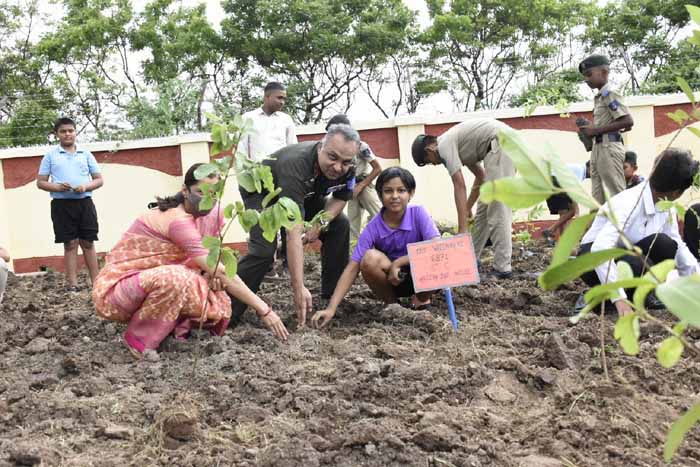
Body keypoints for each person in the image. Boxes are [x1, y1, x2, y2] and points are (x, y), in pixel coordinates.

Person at [92, 164, 289, 357]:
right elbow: (219, 270)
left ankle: (174, 331)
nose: (209, 200)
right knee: (178, 278)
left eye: (214, 193)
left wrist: (208, 275)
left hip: (161, 281)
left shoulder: (214, 214)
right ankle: (139, 342)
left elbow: (212, 261)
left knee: (214, 294)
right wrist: (264, 310)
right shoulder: (177, 220)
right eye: (201, 192)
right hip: (119, 292)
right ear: (185, 191)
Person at [230, 124, 359, 328]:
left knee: (339, 224)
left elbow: (341, 198)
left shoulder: (350, 166)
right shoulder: (297, 164)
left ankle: (331, 298)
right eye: (332, 157)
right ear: (320, 148)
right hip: (262, 192)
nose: (337, 167)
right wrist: (298, 288)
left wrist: (319, 223)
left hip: (306, 193)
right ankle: (228, 310)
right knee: (264, 251)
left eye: (345, 162)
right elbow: (293, 232)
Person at [577, 148, 700, 316]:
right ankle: (599, 297)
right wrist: (619, 298)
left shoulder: (665, 205)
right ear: (676, 192)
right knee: (638, 264)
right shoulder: (628, 203)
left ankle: (640, 294)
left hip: (630, 256)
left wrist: (694, 283)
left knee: (666, 244)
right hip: (591, 259)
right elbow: (600, 249)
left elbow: (677, 245)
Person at [311, 167, 439, 328]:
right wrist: (331, 308)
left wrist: (398, 263)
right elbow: (352, 268)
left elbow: (436, 247)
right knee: (369, 258)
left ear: (411, 193)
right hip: (392, 282)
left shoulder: (419, 213)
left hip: (422, 278)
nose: (394, 196)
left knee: (433, 254)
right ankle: (394, 307)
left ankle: (421, 299)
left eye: (401, 190)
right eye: (388, 191)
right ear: (379, 195)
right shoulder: (373, 227)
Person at [411, 118, 515, 279]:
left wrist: (462, 229)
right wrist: (467, 208)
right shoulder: (459, 147)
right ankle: (470, 259)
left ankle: (502, 268)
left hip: (501, 145)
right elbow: (480, 176)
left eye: (428, 162)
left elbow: (459, 185)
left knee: (497, 210)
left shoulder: (444, 146)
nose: (434, 164)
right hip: (497, 147)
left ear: (430, 149)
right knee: (483, 211)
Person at [37, 117, 103, 291]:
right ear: (57, 134)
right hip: (61, 206)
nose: (67, 134)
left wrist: (85, 186)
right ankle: (72, 285)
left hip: (85, 204)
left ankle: (97, 283)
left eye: (70, 131)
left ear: (75, 132)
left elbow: (99, 180)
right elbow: (41, 182)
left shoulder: (86, 154)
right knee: (70, 243)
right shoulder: (50, 156)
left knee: (88, 242)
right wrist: (58, 187)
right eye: (63, 131)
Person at [576, 54, 634, 204]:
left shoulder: (610, 94)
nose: (586, 79)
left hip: (609, 148)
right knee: (597, 197)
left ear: (604, 73)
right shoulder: (600, 97)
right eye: (584, 76)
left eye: (589, 74)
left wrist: (595, 130)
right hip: (598, 148)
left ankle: (625, 226)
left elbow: (628, 120)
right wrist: (590, 127)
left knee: (617, 194)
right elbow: (623, 125)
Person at [325, 114, 382, 243]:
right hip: (350, 187)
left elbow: (377, 168)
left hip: (364, 185)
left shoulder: (360, 146)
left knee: (380, 216)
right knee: (352, 225)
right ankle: (354, 255)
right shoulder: (334, 149)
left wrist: (361, 186)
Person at [238, 81, 297, 162]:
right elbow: (240, 148)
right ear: (266, 97)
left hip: (280, 171)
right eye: (279, 98)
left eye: (284, 99)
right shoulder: (248, 118)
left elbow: (293, 148)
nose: (282, 102)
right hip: (257, 171)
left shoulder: (286, 119)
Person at [542, 161, 591, 244]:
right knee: (571, 211)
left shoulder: (576, 169)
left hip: (547, 181)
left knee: (564, 213)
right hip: (555, 181)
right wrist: (577, 211)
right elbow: (573, 189)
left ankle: (561, 240)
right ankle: (551, 230)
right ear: (590, 167)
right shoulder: (580, 169)